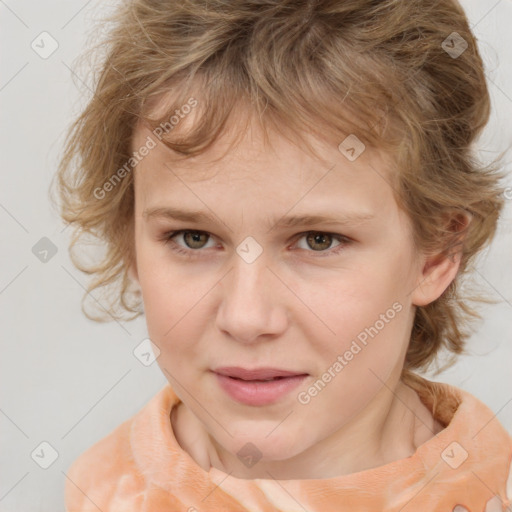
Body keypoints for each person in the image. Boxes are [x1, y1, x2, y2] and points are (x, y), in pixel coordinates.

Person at [53, 0, 512, 510]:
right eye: (194, 238)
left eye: (319, 240)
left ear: (435, 255)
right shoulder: (101, 492)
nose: (247, 318)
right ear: (129, 242)